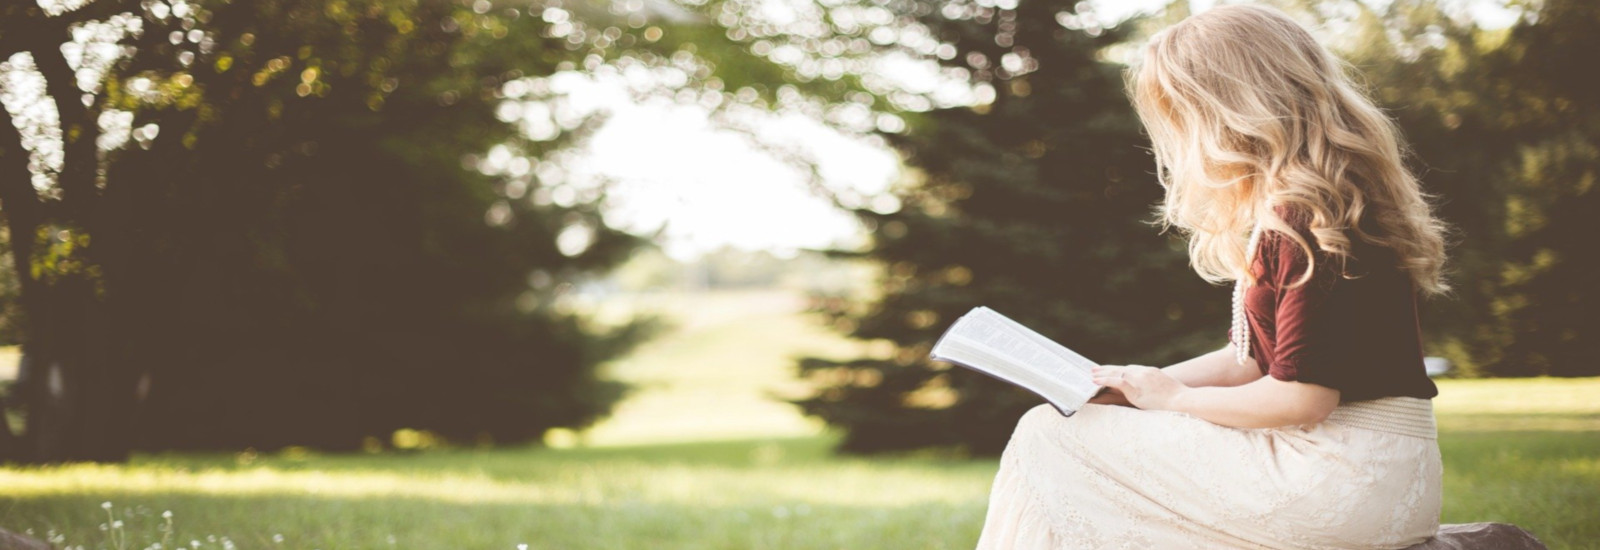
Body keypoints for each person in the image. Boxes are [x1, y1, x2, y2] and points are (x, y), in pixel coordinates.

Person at [973, 4, 1453, 549]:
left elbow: (1301, 400)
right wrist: (1133, 386)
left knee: (1047, 435)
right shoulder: (1328, 200)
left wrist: (1172, 398)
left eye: (1182, 112)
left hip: (1338, 472)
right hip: (1380, 472)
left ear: (1231, 107)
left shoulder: (1307, 216)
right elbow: (1249, 361)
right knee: (1065, 430)